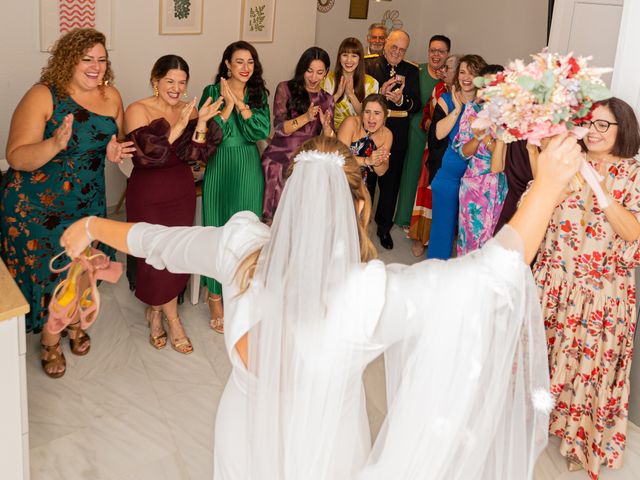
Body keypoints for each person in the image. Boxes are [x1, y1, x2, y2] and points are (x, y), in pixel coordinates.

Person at [60, 132, 584, 480]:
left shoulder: (239, 248)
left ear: (288, 199)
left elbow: (159, 241)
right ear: (359, 205)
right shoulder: (373, 294)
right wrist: (548, 187)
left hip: (242, 437)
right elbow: (491, 272)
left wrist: (88, 229)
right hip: (328, 450)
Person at [0, 28, 134, 378]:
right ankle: (50, 340)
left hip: (87, 201)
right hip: (36, 206)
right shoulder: (44, 95)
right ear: (68, 60)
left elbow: (112, 142)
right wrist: (55, 145)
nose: (96, 66)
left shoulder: (112, 96)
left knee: (84, 268)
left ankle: (73, 321)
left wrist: (113, 151)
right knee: (51, 273)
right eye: (87, 58)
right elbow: (15, 156)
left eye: (102, 59)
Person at [533, 98, 640, 477]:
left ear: (622, 130)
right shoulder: (567, 163)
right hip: (555, 281)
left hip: (599, 294)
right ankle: (533, 424)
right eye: (588, 123)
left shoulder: (633, 172)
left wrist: (600, 189)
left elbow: (633, 232)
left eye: (603, 125)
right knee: (541, 356)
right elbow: (538, 208)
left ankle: (579, 440)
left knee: (588, 368)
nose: (592, 131)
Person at [124, 55, 223, 353]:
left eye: (182, 83)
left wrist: (201, 121)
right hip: (148, 193)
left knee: (176, 254)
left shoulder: (189, 110)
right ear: (156, 80)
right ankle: (173, 320)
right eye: (170, 81)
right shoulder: (137, 109)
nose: (177, 88)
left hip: (180, 190)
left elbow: (197, 156)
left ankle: (157, 312)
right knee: (153, 254)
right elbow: (146, 156)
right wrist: (179, 125)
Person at [198, 41, 271, 333]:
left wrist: (240, 104)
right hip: (220, 164)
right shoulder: (211, 91)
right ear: (227, 63)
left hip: (248, 165)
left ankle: (241, 289)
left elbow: (261, 130)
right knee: (218, 229)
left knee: (247, 232)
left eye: (250, 62)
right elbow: (213, 133)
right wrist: (227, 105)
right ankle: (214, 295)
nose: (245, 67)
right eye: (239, 61)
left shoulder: (257, 94)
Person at [261, 46, 334, 223]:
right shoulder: (285, 88)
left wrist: (325, 128)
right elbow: (279, 128)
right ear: (302, 69)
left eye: (319, 72)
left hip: (308, 157)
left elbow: (328, 141)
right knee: (276, 173)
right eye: (309, 71)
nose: (314, 78)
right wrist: (306, 117)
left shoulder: (327, 99)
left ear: (326, 74)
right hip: (280, 155)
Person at [365, 30, 421, 249]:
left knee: (390, 182)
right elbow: (361, 94)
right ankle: (360, 222)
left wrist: (400, 100)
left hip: (397, 130)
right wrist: (379, 93)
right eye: (394, 47)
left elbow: (416, 103)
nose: (397, 52)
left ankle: (383, 226)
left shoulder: (411, 69)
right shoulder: (367, 64)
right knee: (365, 178)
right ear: (386, 43)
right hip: (369, 129)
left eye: (402, 49)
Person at [427, 54, 487, 259]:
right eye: (462, 72)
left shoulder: (488, 104)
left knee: (472, 232)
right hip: (449, 174)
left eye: (472, 72)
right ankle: (435, 273)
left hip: (479, 177)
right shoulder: (446, 100)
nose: (466, 77)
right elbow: (437, 134)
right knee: (442, 229)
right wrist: (458, 110)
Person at [395, 35, 451, 231]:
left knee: (429, 178)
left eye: (441, 51)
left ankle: (423, 223)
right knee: (411, 174)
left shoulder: (450, 79)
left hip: (439, 135)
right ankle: (403, 217)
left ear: (447, 54)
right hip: (415, 130)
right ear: (428, 51)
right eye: (432, 50)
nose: (436, 55)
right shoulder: (415, 71)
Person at [408, 54, 459, 257]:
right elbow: (427, 115)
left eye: (449, 68)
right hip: (433, 149)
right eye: (444, 67)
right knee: (426, 195)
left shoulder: (467, 95)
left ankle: (446, 241)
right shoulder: (439, 89)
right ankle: (421, 238)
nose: (444, 71)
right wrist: (429, 123)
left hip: (454, 154)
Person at [455, 64, 508, 255]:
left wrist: (484, 135)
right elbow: (462, 152)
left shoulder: (509, 116)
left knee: (493, 245)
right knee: (468, 240)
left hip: (501, 187)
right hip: (474, 186)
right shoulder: (472, 110)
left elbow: (505, 157)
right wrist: (477, 138)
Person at [337, 93, 392, 196]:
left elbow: (381, 172)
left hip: (359, 184)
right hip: (337, 178)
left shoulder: (387, 135)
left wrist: (377, 162)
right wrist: (367, 161)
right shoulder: (351, 123)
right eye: (367, 112)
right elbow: (340, 157)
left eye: (377, 113)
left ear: (385, 115)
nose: (371, 118)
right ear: (362, 113)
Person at [322, 37, 379, 130]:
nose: (349, 60)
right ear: (339, 57)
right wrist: (337, 95)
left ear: (360, 59)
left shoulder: (371, 83)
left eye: (354, 56)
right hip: (331, 133)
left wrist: (351, 95)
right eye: (345, 55)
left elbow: (368, 116)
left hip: (358, 133)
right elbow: (322, 110)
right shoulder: (328, 79)